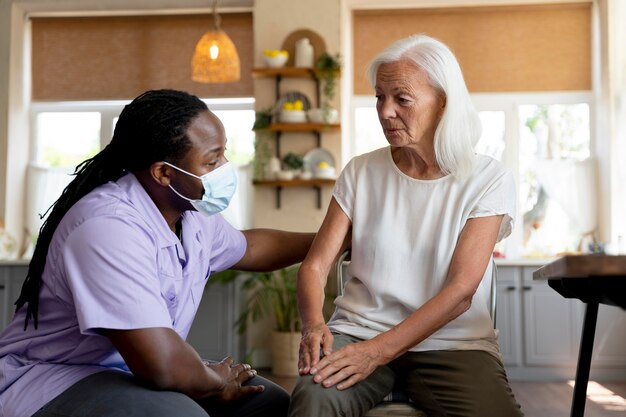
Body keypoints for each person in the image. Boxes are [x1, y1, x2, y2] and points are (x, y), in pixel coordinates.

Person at [0, 89, 315, 417]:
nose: (225, 168)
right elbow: (163, 365)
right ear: (164, 173)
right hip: (59, 377)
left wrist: (337, 240)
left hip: (132, 372)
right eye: (212, 160)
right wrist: (213, 381)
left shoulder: (191, 216)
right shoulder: (107, 226)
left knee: (269, 404)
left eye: (224, 155)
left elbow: (251, 248)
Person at [288, 35, 523, 417]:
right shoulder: (361, 172)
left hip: (450, 344)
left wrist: (377, 353)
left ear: (443, 102)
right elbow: (315, 265)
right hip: (358, 332)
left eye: (402, 99)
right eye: (379, 97)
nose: (384, 111)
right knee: (313, 403)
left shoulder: (487, 178)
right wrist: (313, 325)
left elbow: (461, 292)